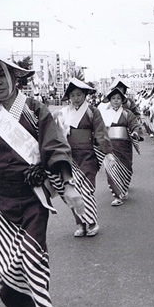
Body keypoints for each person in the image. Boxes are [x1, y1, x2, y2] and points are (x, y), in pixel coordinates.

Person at [0, 52, 84, 307]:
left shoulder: (34, 110)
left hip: (32, 200)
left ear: (13, 77)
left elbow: (54, 145)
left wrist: (69, 185)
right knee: (4, 275)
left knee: (33, 266)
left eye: (1, 75)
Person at [56, 78, 114, 237]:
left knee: (87, 189)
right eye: (73, 95)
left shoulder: (92, 111)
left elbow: (100, 132)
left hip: (88, 154)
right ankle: (80, 224)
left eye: (79, 94)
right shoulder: (63, 113)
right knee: (74, 190)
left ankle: (92, 222)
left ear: (85, 95)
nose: (76, 98)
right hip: (70, 157)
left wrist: (107, 152)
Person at [100, 87, 143, 207]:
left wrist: (135, 132)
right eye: (113, 98)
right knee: (111, 169)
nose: (116, 100)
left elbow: (135, 124)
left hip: (124, 145)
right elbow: (99, 129)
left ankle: (123, 188)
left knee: (126, 167)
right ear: (109, 100)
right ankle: (117, 196)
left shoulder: (127, 113)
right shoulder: (104, 114)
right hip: (109, 145)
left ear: (122, 100)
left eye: (118, 98)